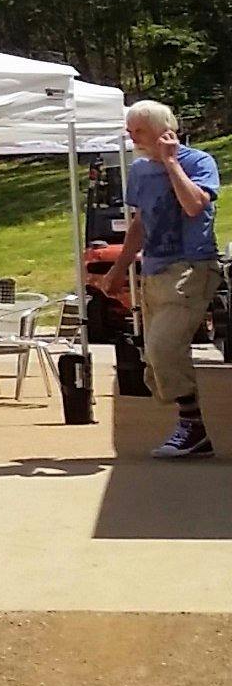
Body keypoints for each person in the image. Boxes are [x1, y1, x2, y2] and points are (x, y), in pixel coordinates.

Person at [125, 99, 219, 459]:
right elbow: (141, 222)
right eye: (131, 132)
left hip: (192, 268)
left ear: (166, 131)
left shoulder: (198, 162)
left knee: (164, 348)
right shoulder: (138, 172)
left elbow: (195, 205)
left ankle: (192, 428)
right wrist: (119, 269)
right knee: (158, 354)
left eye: (140, 132)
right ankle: (193, 430)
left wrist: (171, 162)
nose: (134, 139)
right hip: (154, 271)